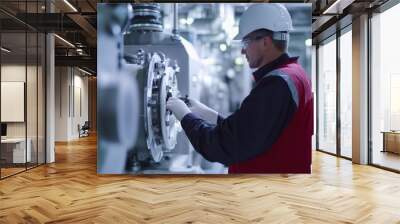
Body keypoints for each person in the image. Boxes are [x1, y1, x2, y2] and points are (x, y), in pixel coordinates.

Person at [166, 3, 313, 173]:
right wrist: (208, 115)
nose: (243, 51)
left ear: (265, 42)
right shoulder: (294, 75)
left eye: (246, 42)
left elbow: (224, 147)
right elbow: (252, 131)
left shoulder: (276, 84)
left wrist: (185, 116)